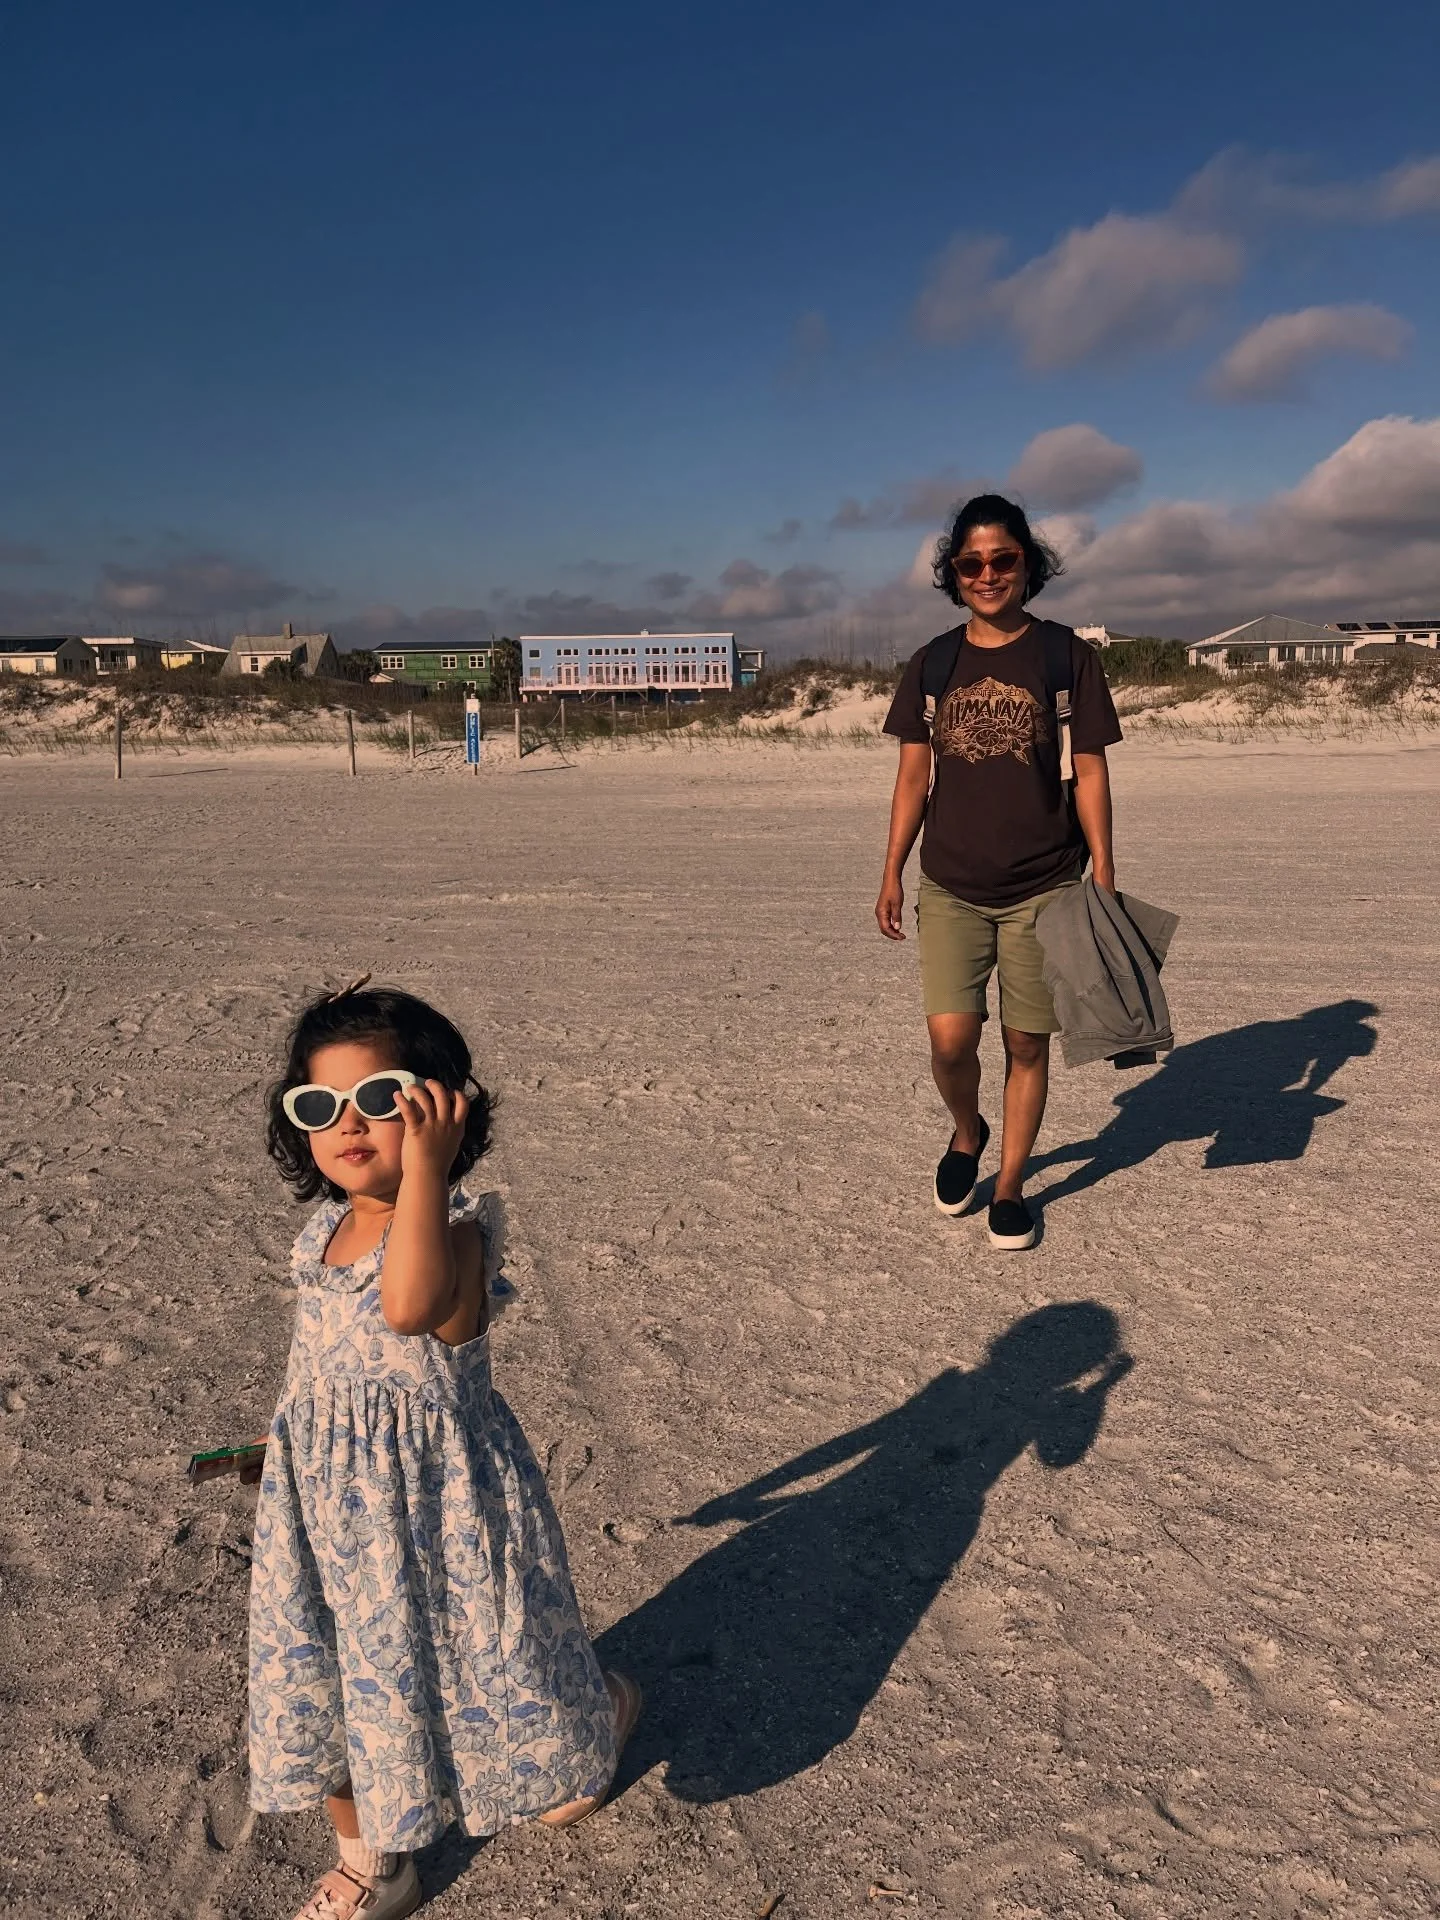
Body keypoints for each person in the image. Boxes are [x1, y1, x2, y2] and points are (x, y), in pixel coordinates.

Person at [248, 983, 641, 1920]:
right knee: (333, 1677)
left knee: (495, 1664)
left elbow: (408, 1306)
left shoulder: (454, 1234)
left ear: (440, 1108)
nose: (349, 1123)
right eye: (320, 1104)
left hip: (434, 1517)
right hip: (329, 1516)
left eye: (379, 1099)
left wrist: (426, 1170)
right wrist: (288, 1439)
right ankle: (371, 1864)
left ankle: (597, 1714)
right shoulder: (323, 1230)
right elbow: (317, 1355)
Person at [875, 494, 1122, 1250]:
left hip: (1044, 886)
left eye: (1003, 559)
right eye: (971, 563)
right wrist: (891, 869)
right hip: (951, 884)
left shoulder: (1065, 657)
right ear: (954, 574)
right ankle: (966, 1131)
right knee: (950, 1042)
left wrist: (1105, 870)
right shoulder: (933, 663)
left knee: (1026, 1044)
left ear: (1027, 564)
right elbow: (913, 777)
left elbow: (1089, 769)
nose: (988, 574)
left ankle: (1010, 1186)